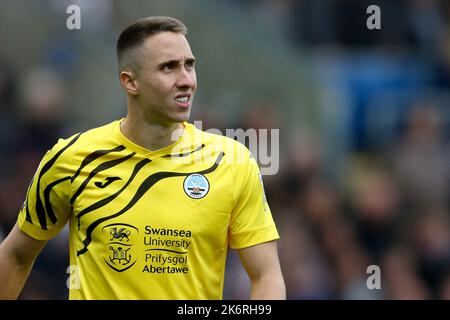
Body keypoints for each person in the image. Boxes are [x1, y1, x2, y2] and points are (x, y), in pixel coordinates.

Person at [0, 16, 285, 300]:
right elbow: (15, 256)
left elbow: (266, 276)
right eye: (168, 68)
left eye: (189, 65)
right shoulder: (72, 159)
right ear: (130, 82)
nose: (186, 80)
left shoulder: (232, 162)